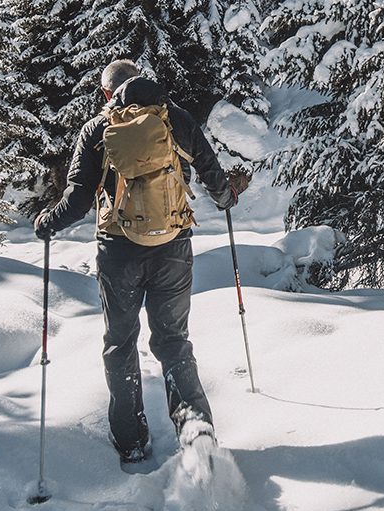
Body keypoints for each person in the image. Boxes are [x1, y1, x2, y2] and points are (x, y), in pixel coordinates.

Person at [33, 59, 247, 465]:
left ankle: (130, 440)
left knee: (120, 342)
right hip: (173, 247)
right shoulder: (174, 117)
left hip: (118, 251)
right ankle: (194, 426)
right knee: (172, 341)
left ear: (106, 93)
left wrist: (48, 221)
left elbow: (78, 199)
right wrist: (226, 199)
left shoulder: (97, 129)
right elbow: (210, 170)